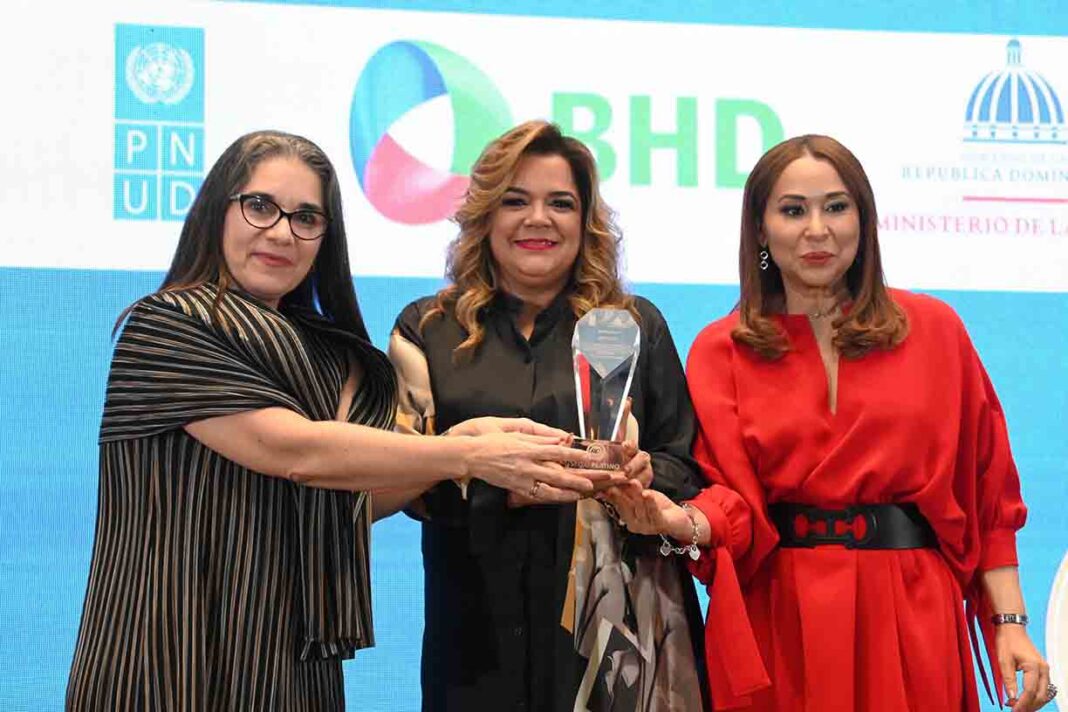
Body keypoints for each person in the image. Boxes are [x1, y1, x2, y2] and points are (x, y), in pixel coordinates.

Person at [65, 130, 609, 711]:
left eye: (306, 218)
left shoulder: (333, 356)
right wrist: (467, 454)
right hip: (163, 656)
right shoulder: (167, 326)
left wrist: (460, 446)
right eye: (259, 206)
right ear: (217, 210)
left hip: (286, 665)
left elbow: (357, 496)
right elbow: (296, 453)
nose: (281, 233)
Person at [608, 135, 1055, 711]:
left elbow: (989, 493)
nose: (817, 229)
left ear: (863, 221)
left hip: (912, 613)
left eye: (836, 207)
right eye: (793, 210)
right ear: (761, 229)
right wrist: (676, 518)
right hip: (782, 619)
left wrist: (1010, 623)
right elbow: (731, 503)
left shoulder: (937, 330)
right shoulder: (721, 350)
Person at [384, 120, 709, 710]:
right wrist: (499, 488)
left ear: (585, 222)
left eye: (561, 203)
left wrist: (643, 476)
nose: (538, 219)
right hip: (475, 640)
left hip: (612, 646)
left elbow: (684, 467)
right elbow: (398, 477)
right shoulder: (426, 328)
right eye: (516, 201)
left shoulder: (632, 325)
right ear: (485, 215)